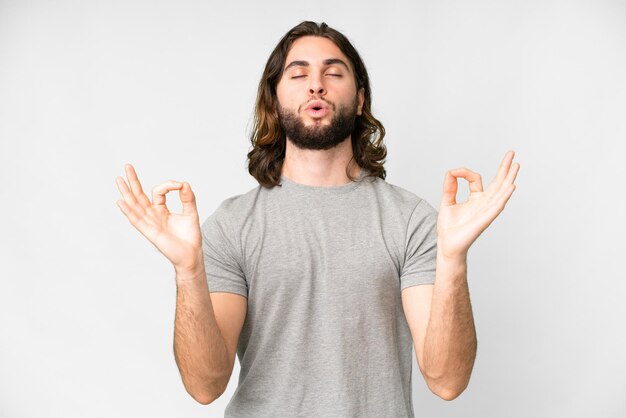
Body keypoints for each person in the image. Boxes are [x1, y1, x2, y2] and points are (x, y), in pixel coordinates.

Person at [115, 21, 519, 417]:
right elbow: (205, 387)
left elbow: (447, 381)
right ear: (274, 100)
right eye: (299, 73)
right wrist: (188, 270)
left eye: (333, 72)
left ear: (360, 100)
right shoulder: (232, 225)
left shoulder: (411, 220)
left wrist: (453, 259)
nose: (316, 84)